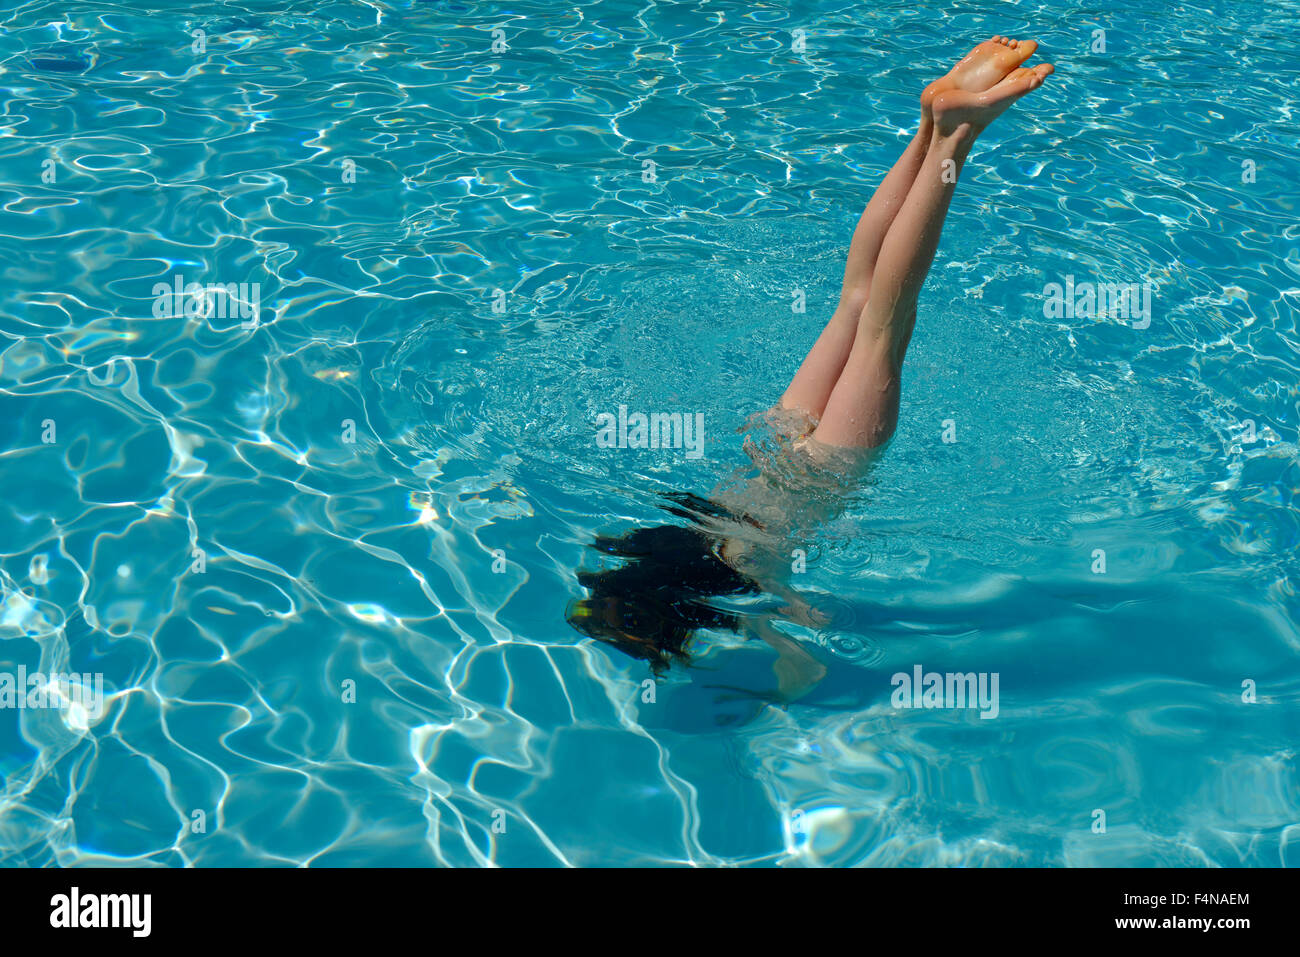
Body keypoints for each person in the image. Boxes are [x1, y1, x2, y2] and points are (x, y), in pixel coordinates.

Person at [568, 38, 1055, 698]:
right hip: (768, 441)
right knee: (855, 299)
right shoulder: (669, 542)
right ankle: (927, 123)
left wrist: (794, 653)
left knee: (887, 319)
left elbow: (801, 639)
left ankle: (953, 138)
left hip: (819, 473)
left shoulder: (747, 585)